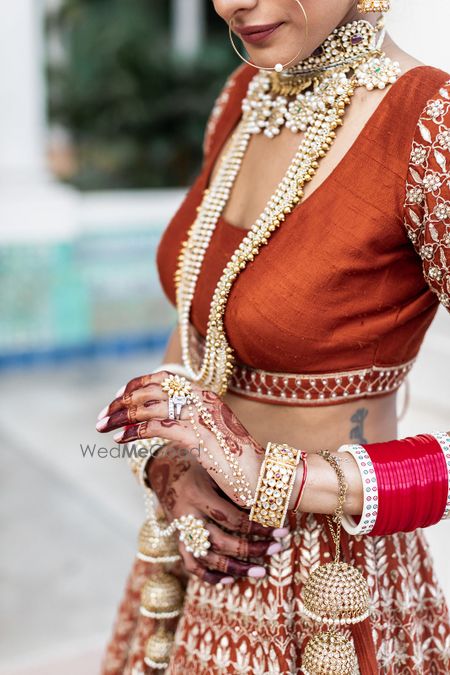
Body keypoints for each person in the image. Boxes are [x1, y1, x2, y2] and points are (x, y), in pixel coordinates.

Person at [96, 1, 450, 673]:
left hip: (333, 597)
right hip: (199, 565)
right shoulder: (246, 92)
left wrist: (281, 479)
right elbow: (202, 324)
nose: (232, 3)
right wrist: (168, 461)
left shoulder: (428, 123)